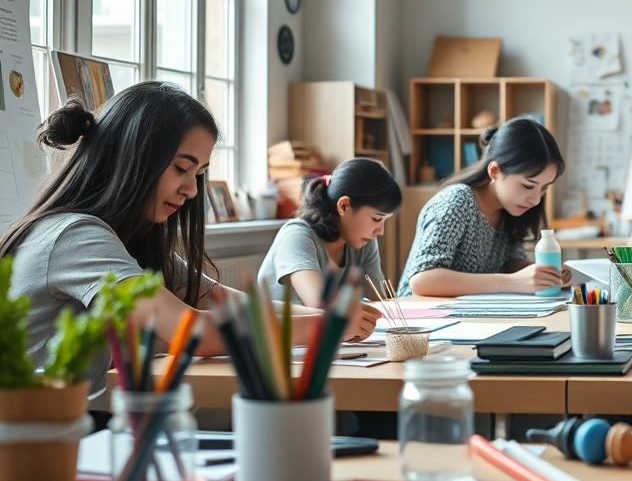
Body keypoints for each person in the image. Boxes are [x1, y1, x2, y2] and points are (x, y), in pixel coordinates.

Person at [0, 83, 380, 408]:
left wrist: (331, 317)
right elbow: (192, 332)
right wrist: (328, 326)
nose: (192, 189)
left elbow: (223, 300)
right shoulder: (75, 235)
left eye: (198, 173)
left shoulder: (128, 239)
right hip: (41, 448)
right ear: (134, 158)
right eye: (181, 168)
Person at [399, 117, 571, 297]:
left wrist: (546, 275)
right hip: (419, 320)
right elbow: (422, 281)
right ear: (495, 171)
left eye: (544, 188)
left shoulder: (510, 210)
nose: (536, 200)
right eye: (528, 186)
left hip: (469, 318)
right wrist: (512, 282)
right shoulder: (457, 201)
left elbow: (511, 263)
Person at [257, 158, 401, 306]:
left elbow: (382, 304)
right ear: (344, 206)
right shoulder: (296, 236)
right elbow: (320, 305)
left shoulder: (364, 242)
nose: (381, 231)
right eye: (377, 219)